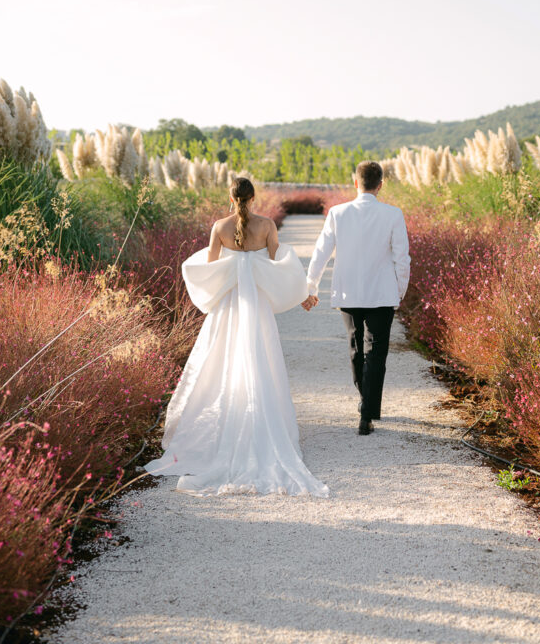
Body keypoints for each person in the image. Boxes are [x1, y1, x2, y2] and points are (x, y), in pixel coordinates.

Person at [144, 176, 329, 497]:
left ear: (231, 198)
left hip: (228, 308)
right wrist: (303, 295)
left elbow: (212, 273)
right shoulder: (267, 226)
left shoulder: (219, 227)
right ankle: (261, 422)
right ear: (252, 198)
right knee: (259, 359)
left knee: (221, 362)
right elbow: (280, 270)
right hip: (256, 306)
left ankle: (225, 417)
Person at [304, 160, 411, 436]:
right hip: (382, 292)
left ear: (355, 182)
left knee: (355, 346)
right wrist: (399, 290)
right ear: (381, 184)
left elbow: (321, 252)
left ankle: (365, 402)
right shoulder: (393, 214)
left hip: (348, 292)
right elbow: (402, 257)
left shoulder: (338, 213)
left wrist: (311, 287)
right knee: (377, 351)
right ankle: (368, 411)